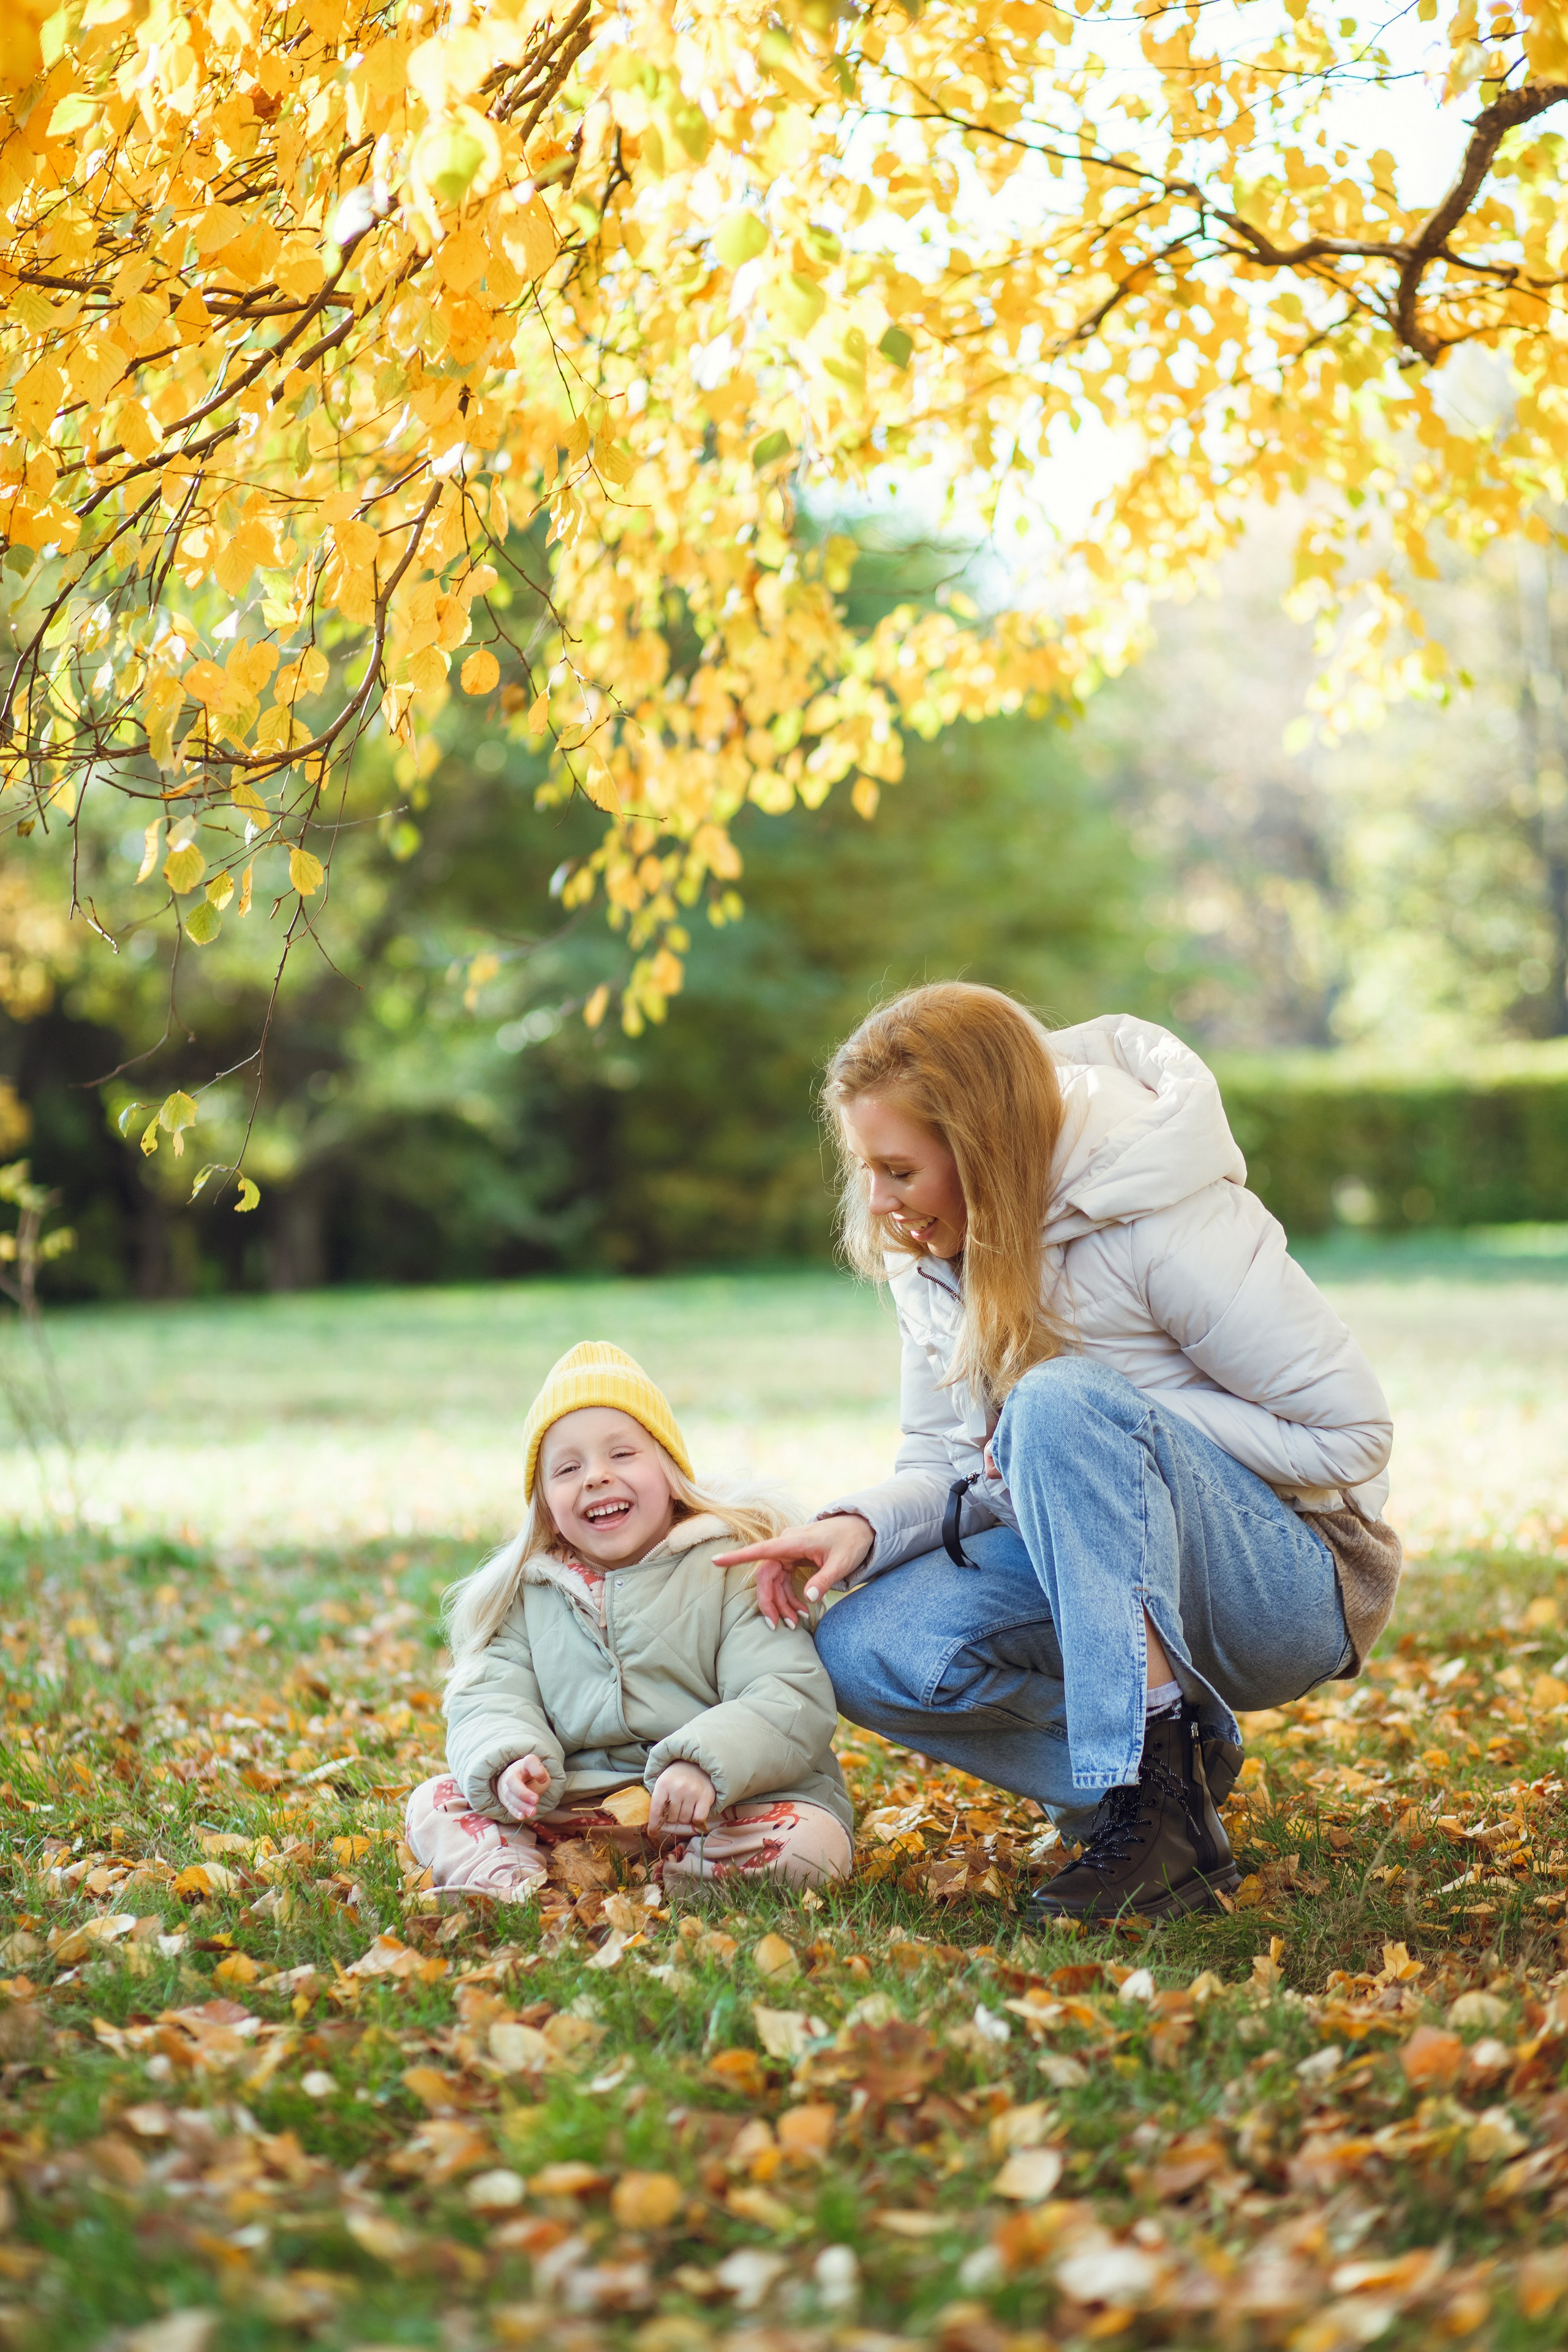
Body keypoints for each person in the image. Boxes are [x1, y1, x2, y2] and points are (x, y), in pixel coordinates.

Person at [717, 985, 1400, 1922]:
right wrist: (859, 1527)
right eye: (867, 1169)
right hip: (1101, 1566)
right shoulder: (935, 1254)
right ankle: (1155, 1788)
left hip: (1289, 1583)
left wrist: (1099, 1419)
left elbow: (1351, 1438)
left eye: (900, 1170)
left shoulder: (1160, 1211)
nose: (878, 1202)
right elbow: (947, 1457)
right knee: (865, 1647)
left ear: (982, 1146)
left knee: (1060, 1398)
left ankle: (1159, 1817)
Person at [407, 1341, 853, 1901]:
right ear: (545, 1503)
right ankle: (514, 1885)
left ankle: (686, 1881)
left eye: (622, 1455)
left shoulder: (735, 1568)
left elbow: (786, 1696)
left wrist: (702, 1765)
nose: (596, 1477)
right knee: (435, 1803)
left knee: (810, 1844)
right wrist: (509, 1762)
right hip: (576, 1812)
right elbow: (489, 1697)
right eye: (568, 1468)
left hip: (717, 1809)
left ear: (669, 1470)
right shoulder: (529, 1593)